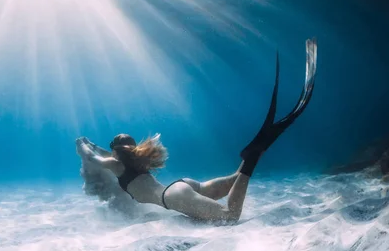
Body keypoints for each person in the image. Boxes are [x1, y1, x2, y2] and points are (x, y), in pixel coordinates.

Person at [76, 38, 317, 222]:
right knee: (235, 180)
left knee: (229, 216)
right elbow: (106, 153)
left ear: (115, 150)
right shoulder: (135, 160)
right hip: (184, 185)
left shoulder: (116, 164)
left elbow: (93, 157)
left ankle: (253, 156)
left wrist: (83, 144)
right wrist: (93, 144)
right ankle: (253, 154)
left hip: (172, 198)